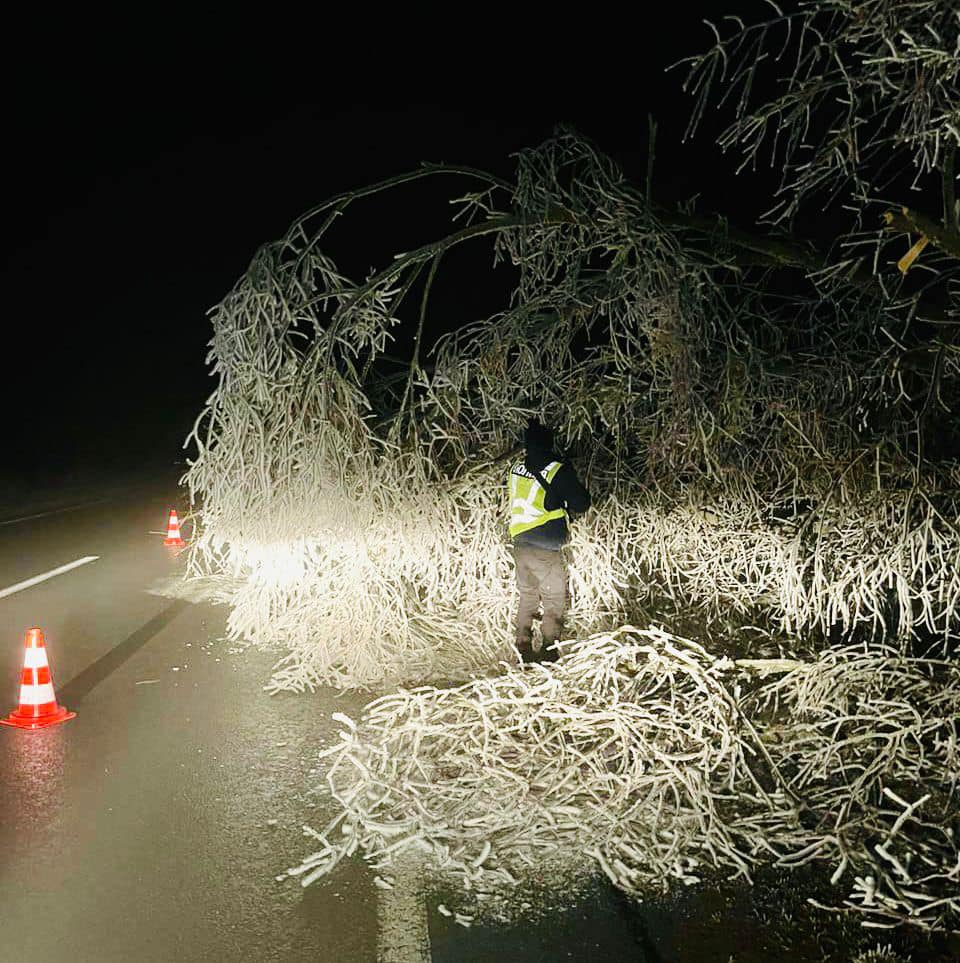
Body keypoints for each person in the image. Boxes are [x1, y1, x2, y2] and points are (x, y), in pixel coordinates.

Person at [509, 418, 591, 663]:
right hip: (545, 546)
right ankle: (548, 653)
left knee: (528, 596)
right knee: (554, 599)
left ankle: (522, 649)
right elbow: (581, 503)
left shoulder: (515, 468)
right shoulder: (557, 470)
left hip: (520, 542)